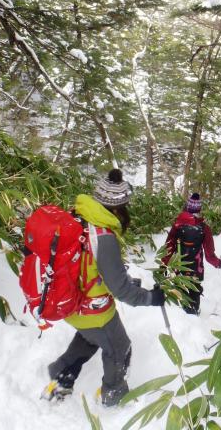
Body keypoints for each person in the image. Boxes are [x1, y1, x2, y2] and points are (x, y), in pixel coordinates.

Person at [45, 169, 165, 406]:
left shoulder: (78, 217)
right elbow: (121, 291)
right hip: (93, 311)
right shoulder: (103, 236)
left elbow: (90, 266)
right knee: (120, 348)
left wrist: (125, 281)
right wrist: (151, 298)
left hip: (70, 302)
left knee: (91, 338)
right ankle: (114, 398)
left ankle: (60, 377)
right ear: (117, 208)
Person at [162, 192, 221, 315]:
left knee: (179, 300)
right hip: (196, 270)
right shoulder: (204, 228)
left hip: (178, 269)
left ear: (187, 207)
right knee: (194, 297)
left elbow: (168, 248)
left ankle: (181, 319)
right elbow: (210, 256)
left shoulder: (177, 225)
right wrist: (220, 263)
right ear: (199, 209)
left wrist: (164, 265)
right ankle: (194, 315)